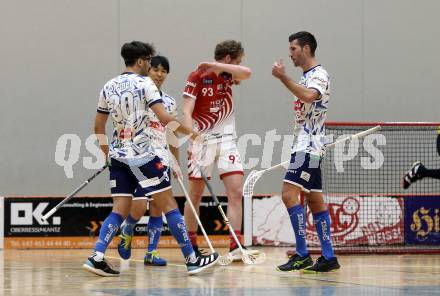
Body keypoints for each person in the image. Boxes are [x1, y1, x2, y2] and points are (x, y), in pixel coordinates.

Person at [83, 41, 218, 277]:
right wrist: (193, 133)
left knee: (119, 208)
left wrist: (108, 155)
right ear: (141, 61)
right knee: (168, 206)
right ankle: (192, 259)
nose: (150, 66)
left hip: (118, 156)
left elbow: (98, 126)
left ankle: (97, 256)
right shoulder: (146, 84)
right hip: (144, 155)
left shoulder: (109, 85)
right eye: (148, 61)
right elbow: (164, 118)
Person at [182, 40, 258, 260]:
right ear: (228, 58)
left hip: (227, 141)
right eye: (237, 60)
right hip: (202, 140)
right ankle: (192, 244)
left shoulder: (228, 74)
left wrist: (219, 67)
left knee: (235, 192)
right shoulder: (196, 76)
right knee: (195, 194)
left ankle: (235, 246)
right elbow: (186, 111)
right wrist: (191, 135)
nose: (240, 64)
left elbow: (248, 73)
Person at [271, 31, 340, 273]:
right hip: (306, 145)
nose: (290, 53)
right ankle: (329, 257)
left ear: (306, 49)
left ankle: (301, 254)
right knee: (314, 200)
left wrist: (282, 78)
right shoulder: (305, 77)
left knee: (289, 194)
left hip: (309, 146)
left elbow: (311, 96)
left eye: (293, 49)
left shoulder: (319, 75)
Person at [117, 55, 179, 266]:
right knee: (139, 206)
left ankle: (151, 252)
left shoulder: (169, 102)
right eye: (156, 70)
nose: (160, 74)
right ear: (147, 71)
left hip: (161, 159)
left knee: (158, 208)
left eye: (164, 71)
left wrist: (176, 162)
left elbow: (172, 133)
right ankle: (127, 229)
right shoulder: (139, 98)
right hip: (140, 159)